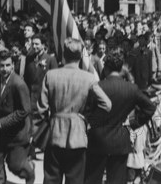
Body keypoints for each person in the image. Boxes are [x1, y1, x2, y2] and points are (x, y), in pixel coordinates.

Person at [37, 38, 112, 184]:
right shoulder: (89, 78)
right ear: (80, 56)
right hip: (78, 136)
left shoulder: (51, 75)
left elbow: (41, 109)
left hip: (54, 134)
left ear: (64, 55)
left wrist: (51, 121)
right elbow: (107, 105)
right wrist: (88, 122)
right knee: (75, 180)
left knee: (51, 179)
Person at [85, 51, 156, 184]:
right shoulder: (131, 88)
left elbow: (87, 113)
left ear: (105, 68)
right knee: (116, 180)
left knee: (92, 179)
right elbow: (150, 107)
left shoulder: (98, 87)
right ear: (121, 68)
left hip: (97, 139)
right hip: (120, 138)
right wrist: (133, 123)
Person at [0, 50, 35, 184]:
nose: (4, 69)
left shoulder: (19, 84)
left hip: (16, 133)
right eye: (1, 65)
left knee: (15, 166)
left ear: (13, 66)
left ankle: (30, 172)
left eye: (7, 65)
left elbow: (24, 111)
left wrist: (2, 122)